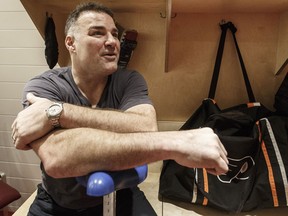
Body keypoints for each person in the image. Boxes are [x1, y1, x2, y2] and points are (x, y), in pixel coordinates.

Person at [11, 2, 229, 216]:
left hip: (123, 194)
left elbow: (144, 127)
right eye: (97, 33)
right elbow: (58, 158)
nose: (112, 42)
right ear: (70, 43)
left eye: (114, 34)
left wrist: (59, 113)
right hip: (58, 204)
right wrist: (176, 143)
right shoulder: (43, 87)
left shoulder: (128, 80)